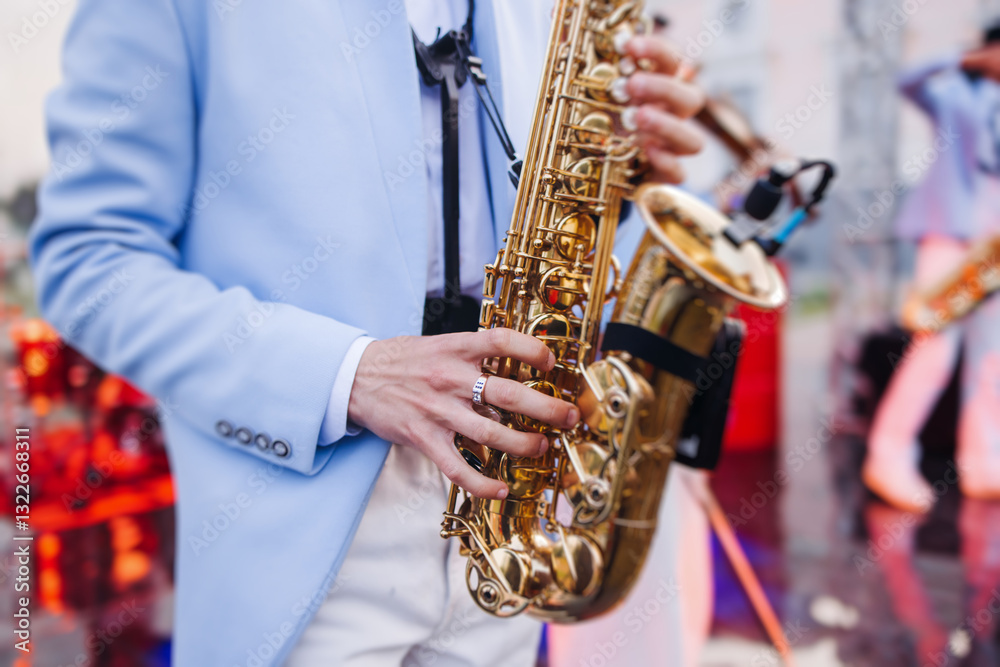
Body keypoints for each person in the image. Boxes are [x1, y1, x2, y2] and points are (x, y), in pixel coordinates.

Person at [28, 1, 705, 665]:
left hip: (510, 506)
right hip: (306, 527)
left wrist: (621, 171)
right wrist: (347, 376)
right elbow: (90, 259)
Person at [862, 23, 1000, 513]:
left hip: (994, 248)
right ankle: (887, 456)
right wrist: (968, 58)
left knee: (991, 359)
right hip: (951, 237)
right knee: (934, 351)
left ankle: (984, 463)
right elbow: (908, 81)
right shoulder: (955, 95)